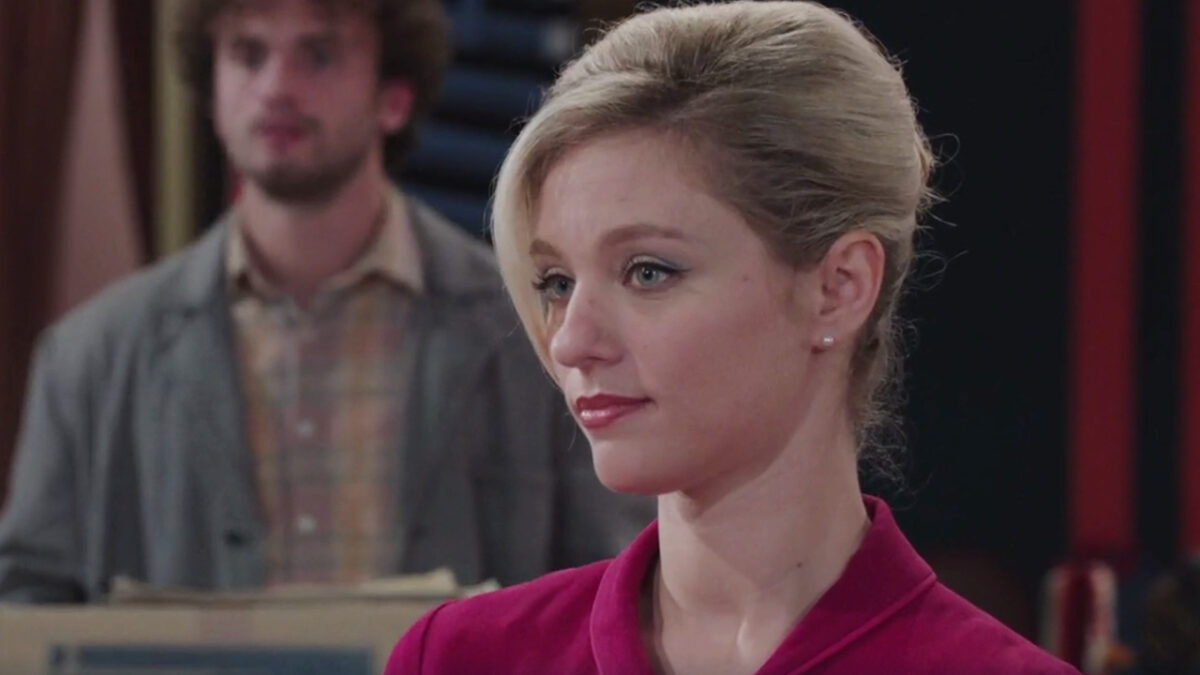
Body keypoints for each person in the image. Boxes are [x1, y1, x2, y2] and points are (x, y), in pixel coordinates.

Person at [384, 2, 1081, 673]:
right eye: (557, 282)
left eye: (648, 271)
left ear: (839, 287)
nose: (570, 343)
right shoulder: (460, 659)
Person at [0, 0, 652, 603]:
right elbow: (28, 601)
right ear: (213, 91)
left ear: (393, 98)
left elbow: (615, 582)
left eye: (318, 55)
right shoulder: (90, 355)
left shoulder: (536, 331)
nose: (276, 87)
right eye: (248, 54)